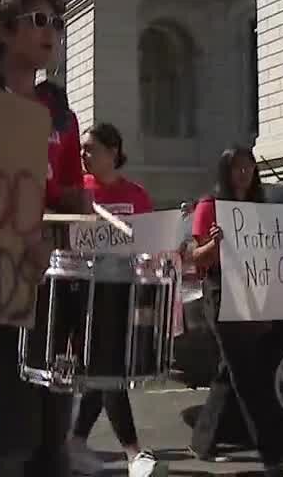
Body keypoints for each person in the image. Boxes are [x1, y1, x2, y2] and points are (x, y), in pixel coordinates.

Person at [0, 0, 91, 477]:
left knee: (50, 424)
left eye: (58, 24)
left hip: (47, 282)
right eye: (40, 21)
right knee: (3, 429)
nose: (53, 34)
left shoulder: (60, 111)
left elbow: (67, 193)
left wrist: (77, 202)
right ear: (1, 28)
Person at [186, 145, 283, 472]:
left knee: (230, 370)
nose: (244, 173)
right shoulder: (210, 206)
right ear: (226, 171)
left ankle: (202, 441)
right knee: (247, 374)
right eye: (237, 168)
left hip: (254, 289)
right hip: (222, 292)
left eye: (249, 167)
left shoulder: (259, 207)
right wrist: (215, 243)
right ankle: (275, 451)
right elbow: (197, 258)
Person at [68, 122, 167, 477]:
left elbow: (151, 241)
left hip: (123, 293)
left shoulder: (136, 194)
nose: (83, 154)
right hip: (86, 293)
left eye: (91, 148)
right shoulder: (78, 191)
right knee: (108, 370)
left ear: (113, 152)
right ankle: (133, 453)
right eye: (82, 148)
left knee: (103, 370)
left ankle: (76, 442)